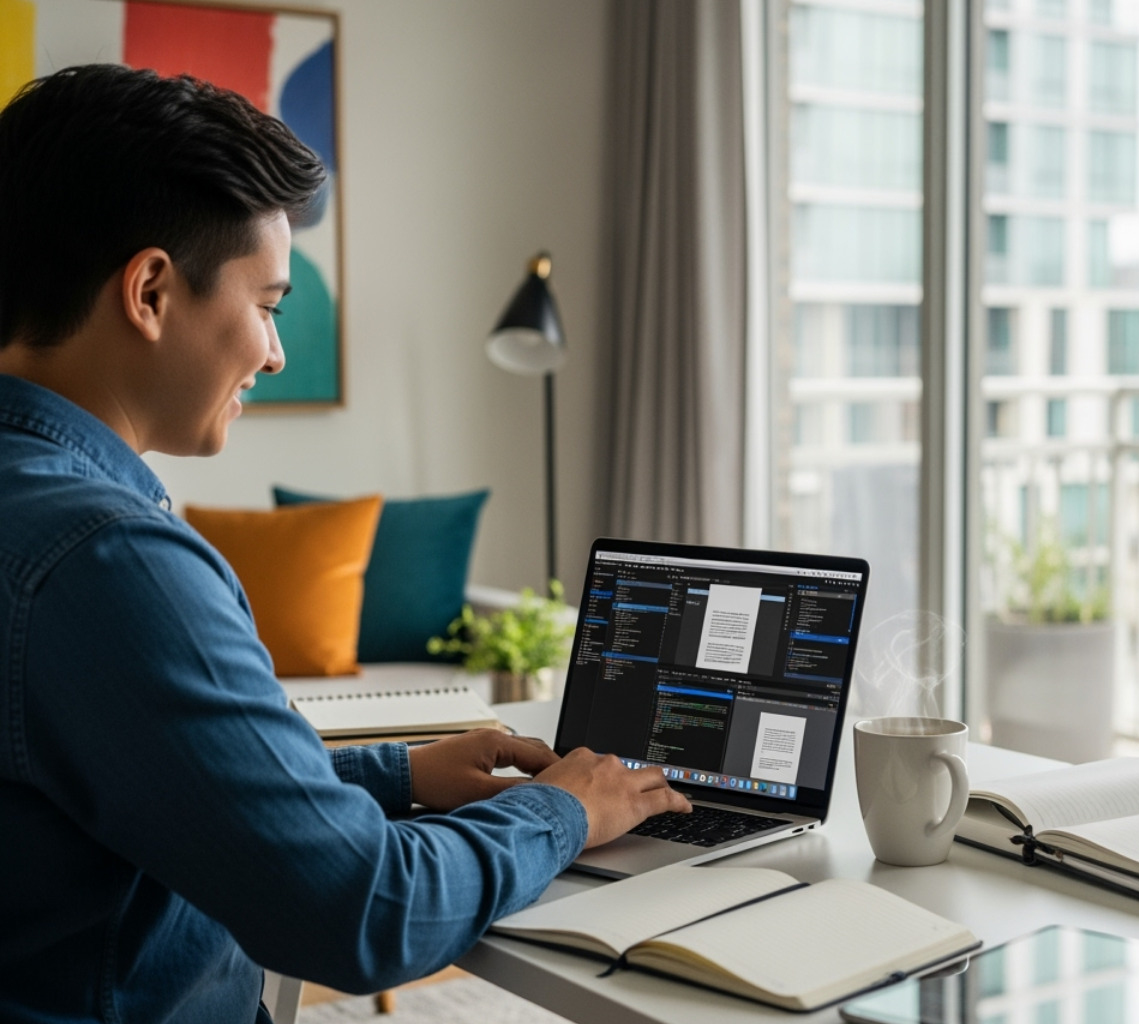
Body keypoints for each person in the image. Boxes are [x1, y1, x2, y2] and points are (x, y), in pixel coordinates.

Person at [0, 64, 688, 1023]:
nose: (276, 354)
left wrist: (399, 773)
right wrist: (564, 811)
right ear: (151, 291)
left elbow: (149, 777)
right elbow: (365, 912)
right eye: (270, 304)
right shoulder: (107, 560)